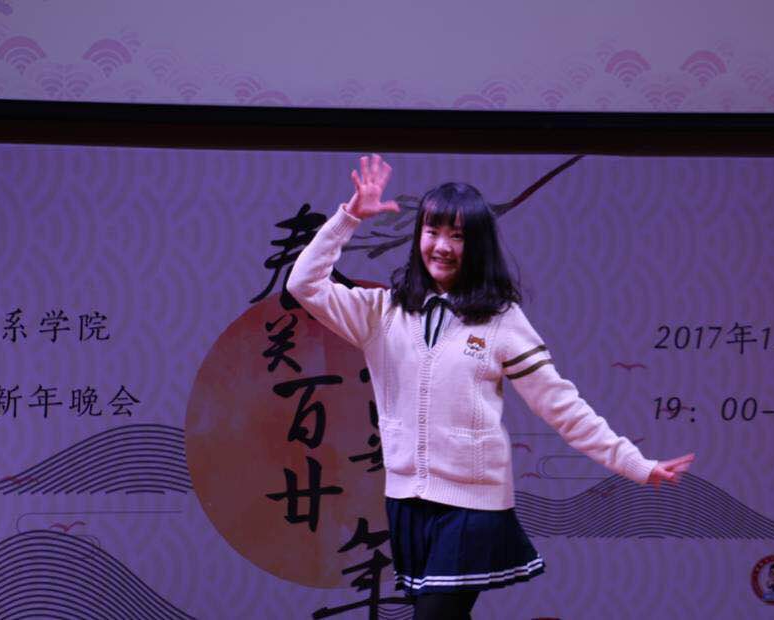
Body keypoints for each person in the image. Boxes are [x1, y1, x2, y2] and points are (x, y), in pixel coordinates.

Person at [287, 154, 695, 620]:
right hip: (406, 504)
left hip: (472, 506)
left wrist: (634, 463)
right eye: (432, 231)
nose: (442, 246)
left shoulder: (501, 320)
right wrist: (349, 218)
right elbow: (304, 284)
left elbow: (561, 405)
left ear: (477, 246)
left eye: (458, 236)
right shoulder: (382, 312)